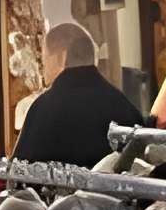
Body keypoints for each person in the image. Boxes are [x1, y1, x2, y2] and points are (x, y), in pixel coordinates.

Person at [13, 22, 138, 168]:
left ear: (61, 57)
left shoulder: (43, 109)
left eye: (45, 58)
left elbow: (19, 172)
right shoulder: (123, 105)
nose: (43, 67)